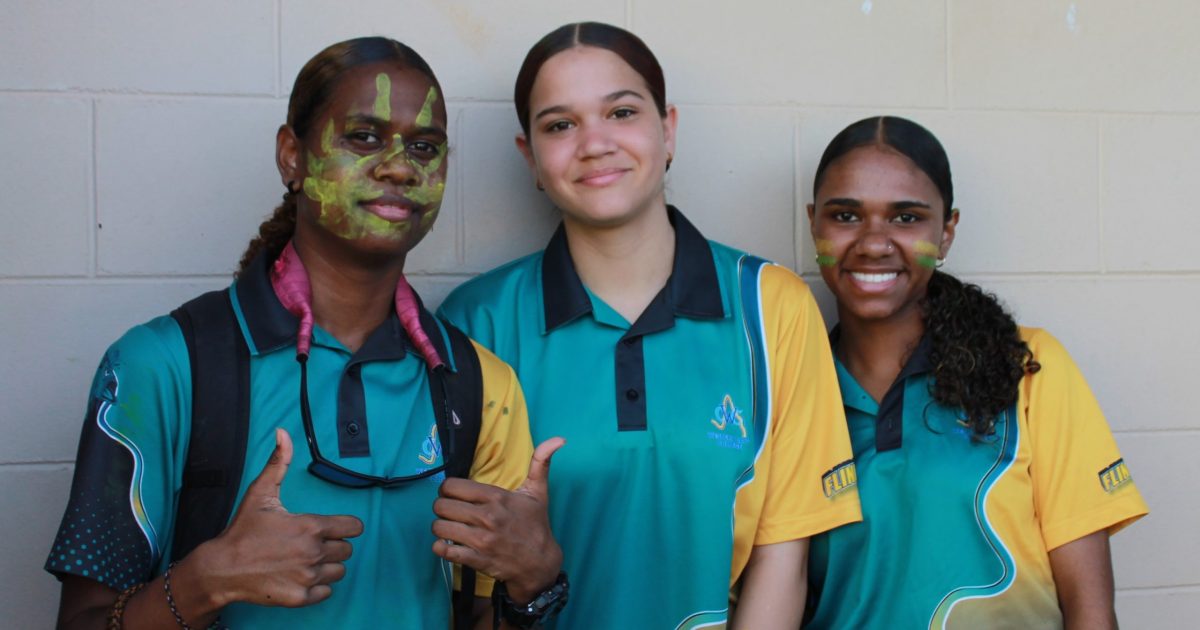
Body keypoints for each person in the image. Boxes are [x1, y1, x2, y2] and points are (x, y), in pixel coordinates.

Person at [46, 37, 563, 629]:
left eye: (425, 147)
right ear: (292, 156)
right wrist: (203, 582)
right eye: (363, 137)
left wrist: (536, 581)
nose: (400, 165)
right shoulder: (161, 366)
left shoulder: (478, 384)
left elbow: (480, 618)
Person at [438, 22, 861, 629]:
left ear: (668, 129)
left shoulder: (773, 307)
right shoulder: (474, 322)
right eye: (560, 124)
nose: (594, 143)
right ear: (530, 156)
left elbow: (782, 558)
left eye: (622, 112)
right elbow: (468, 583)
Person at [802, 116, 1149, 629]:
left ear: (946, 233)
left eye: (906, 218)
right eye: (847, 215)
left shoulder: (1026, 366)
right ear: (814, 224)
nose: (874, 243)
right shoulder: (788, 390)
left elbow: (1090, 608)